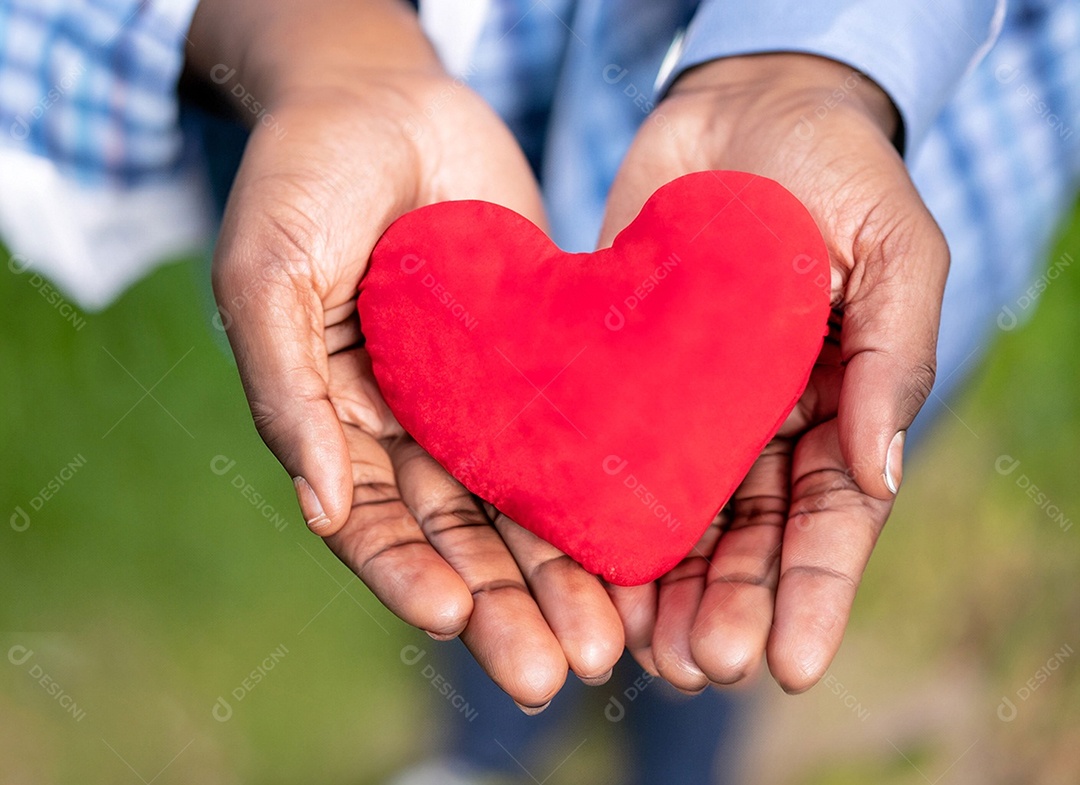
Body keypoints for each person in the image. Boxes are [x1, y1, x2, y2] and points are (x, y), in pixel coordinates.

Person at [1, 1, 1077, 783]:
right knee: (486, 596)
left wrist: (815, 59)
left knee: (773, 531)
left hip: (851, 292)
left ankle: (682, 752)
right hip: (394, 228)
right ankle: (488, 752)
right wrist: (328, 45)